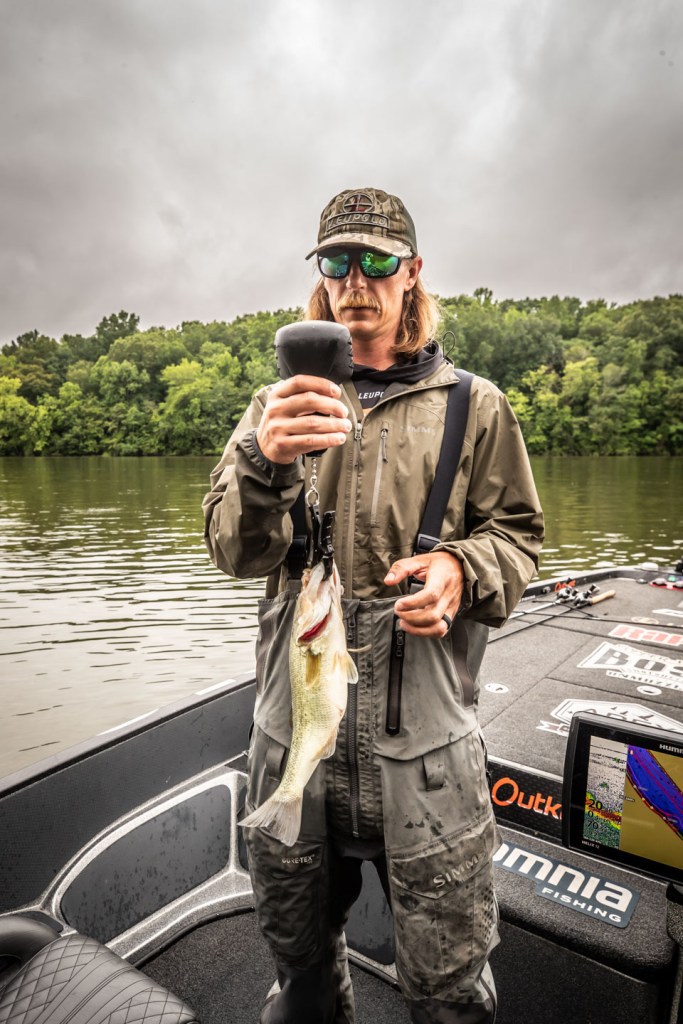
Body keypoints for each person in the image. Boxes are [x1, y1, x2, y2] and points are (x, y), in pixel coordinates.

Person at [202, 187, 544, 1024]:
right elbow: (232, 551)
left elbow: (517, 539)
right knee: (300, 979)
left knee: (450, 994)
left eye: (377, 261)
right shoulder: (273, 407)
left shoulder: (476, 406)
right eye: (337, 261)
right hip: (293, 746)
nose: (356, 280)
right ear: (320, 276)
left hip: (427, 761)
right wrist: (264, 464)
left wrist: (462, 569)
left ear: (411, 272)